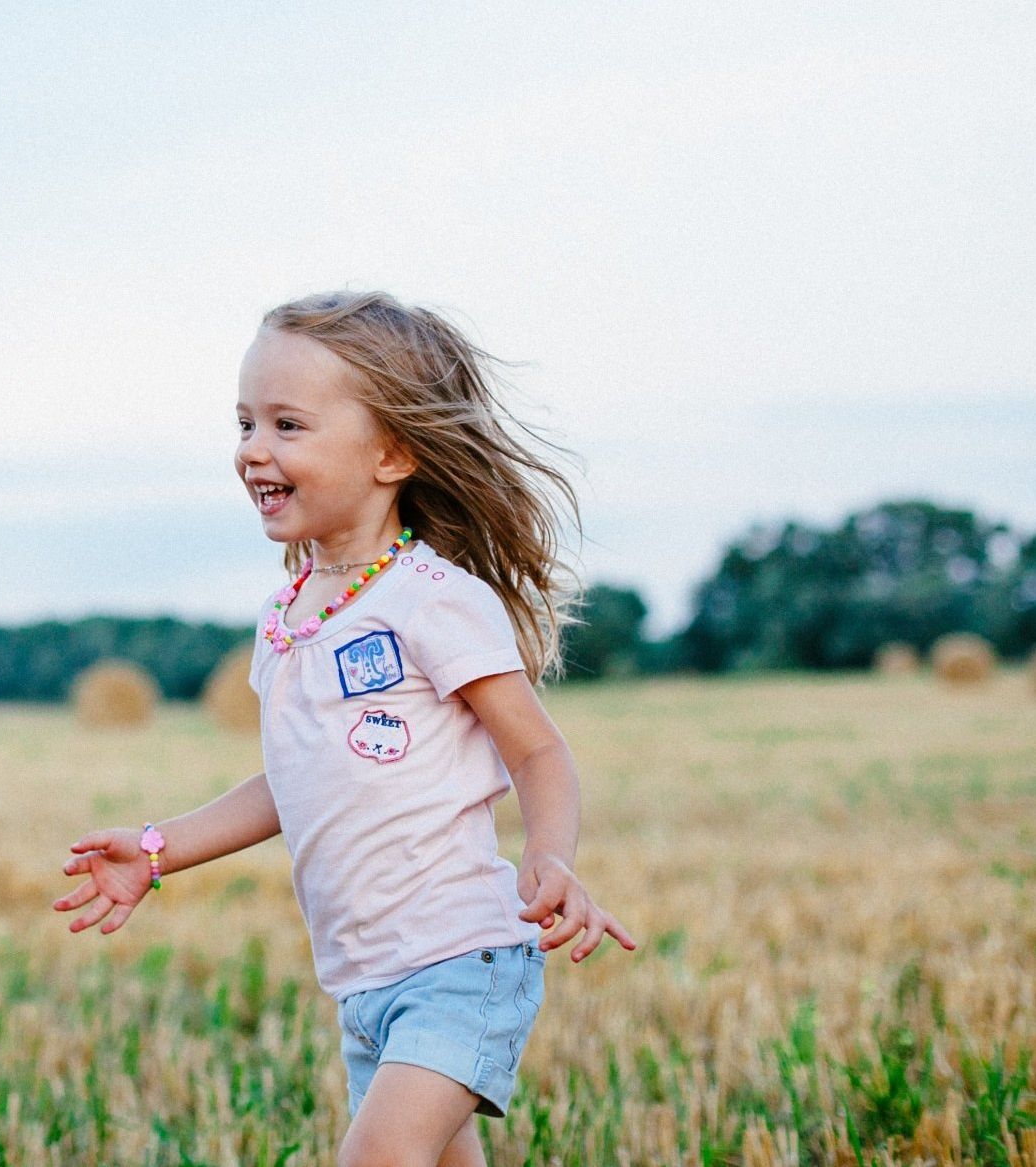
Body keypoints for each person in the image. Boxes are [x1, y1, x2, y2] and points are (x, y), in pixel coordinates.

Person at [52, 290, 637, 1167]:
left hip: (459, 960)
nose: (253, 449)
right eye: (245, 422)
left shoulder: (434, 601)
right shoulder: (287, 616)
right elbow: (290, 780)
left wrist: (549, 854)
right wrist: (158, 846)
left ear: (391, 452)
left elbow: (535, 747)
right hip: (363, 982)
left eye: (288, 425)